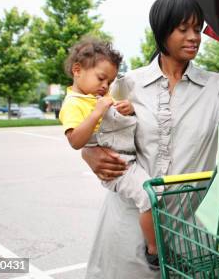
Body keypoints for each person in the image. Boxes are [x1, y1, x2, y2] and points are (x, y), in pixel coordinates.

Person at [81, 0, 219, 278]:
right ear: (162, 32)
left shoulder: (216, 85)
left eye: (197, 29)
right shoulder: (127, 85)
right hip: (127, 229)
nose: (194, 37)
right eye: (183, 29)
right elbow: (92, 130)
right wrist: (88, 153)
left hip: (190, 234)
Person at [58, 38, 160, 269]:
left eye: (111, 81)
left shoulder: (97, 97)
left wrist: (128, 107)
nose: (106, 86)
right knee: (149, 196)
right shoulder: (74, 103)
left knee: (152, 193)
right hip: (117, 164)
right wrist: (96, 114)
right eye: (101, 78)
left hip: (126, 155)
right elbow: (75, 140)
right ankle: (154, 249)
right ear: (77, 70)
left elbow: (118, 112)